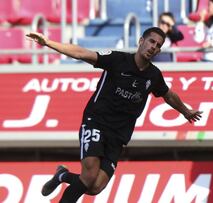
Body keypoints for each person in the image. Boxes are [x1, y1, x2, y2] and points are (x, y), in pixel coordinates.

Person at [26, 27, 202, 203]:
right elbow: (82, 53)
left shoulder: (153, 75)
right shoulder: (117, 59)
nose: (153, 47)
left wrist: (185, 111)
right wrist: (48, 42)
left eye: (157, 45)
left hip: (118, 134)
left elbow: (168, 94)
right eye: (151, 41)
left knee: (95, 187)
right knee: (89, 174)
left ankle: (62, 176)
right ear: (141, 41)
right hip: (96, 122)